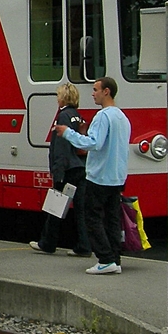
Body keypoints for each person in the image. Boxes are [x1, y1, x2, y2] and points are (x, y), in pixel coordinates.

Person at [55, 76, 130, 275]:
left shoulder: (102, 116)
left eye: (96, 89)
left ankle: (105, 259)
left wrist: (68, 133)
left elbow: (93, 143)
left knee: (92, 218)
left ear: (107, 91)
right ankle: (115, 259)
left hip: (99, 176)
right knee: (112, 220)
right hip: (117, 176)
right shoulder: (122, 117)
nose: (92, 93)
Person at [30, 83, 92, 257]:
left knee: (55, 207)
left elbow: (61, 147)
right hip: (81, 167)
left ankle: (48, 243)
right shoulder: (77, 116)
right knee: (80, 209)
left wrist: (58, 171)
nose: (57, 99)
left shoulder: (63, 116)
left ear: (63, 98)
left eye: (58, 95)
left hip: (68, 168)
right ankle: (84, 245)